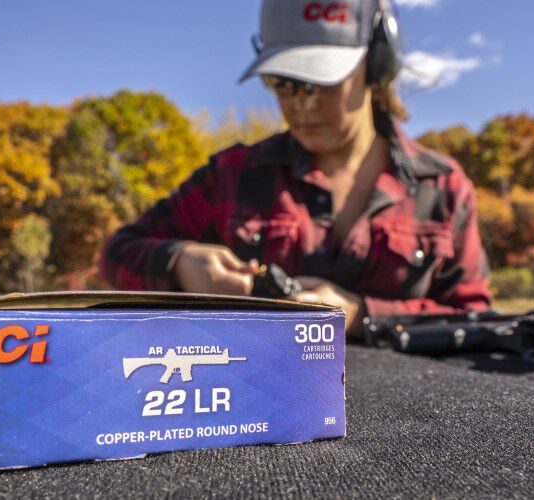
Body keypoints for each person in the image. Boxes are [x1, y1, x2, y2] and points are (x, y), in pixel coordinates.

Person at [99, 0, 492, 338]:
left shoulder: (442, 188)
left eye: (322, 81)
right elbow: (117, 255)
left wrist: (362, 314)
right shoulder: (233, 175)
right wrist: (180, 263)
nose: (302, 105)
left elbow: (473, 319)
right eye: (282, 82)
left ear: (376, 64)